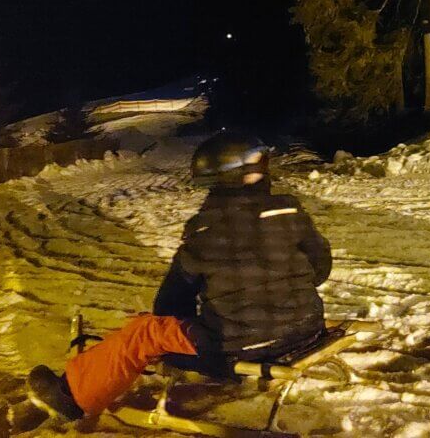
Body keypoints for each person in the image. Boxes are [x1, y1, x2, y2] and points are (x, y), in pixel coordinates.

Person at [27, 131, 332, 421]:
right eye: (259, 164)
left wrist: (206, 318)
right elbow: (320, 270)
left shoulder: (203, 232)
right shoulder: (291, 212)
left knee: (145, 331)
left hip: (237, 346)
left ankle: (70, 397)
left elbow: (169, 304)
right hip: (308, 329)